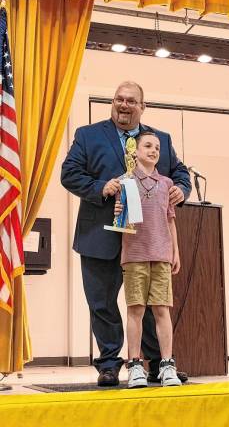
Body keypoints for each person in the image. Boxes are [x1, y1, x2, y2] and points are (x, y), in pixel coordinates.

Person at [61, 81, 191, 386]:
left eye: (131, 101)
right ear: (113, 103)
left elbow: (181, 173)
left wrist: (180, 190)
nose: (124, 104)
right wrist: (99, 187)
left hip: (147, 239)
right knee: (103, 304)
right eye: (119, 99)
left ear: (142, 107)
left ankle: (158, 363)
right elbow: (69, 174)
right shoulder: (88, 135)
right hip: (100, 235)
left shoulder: (159, 139)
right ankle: (109, 365)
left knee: (149, 304)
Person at [115, 131, 182, 388]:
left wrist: (175, 251)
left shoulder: (166, 184)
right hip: (134, 255)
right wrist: (119, 213)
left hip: (162, 254)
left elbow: (170, 220)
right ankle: (134, 366)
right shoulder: (126, 182)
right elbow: (121, 223)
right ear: (135, 151)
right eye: (147, 146)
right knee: (136, 309)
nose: (153, 150)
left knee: (162, 309)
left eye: (156, 147)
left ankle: (167, 365)